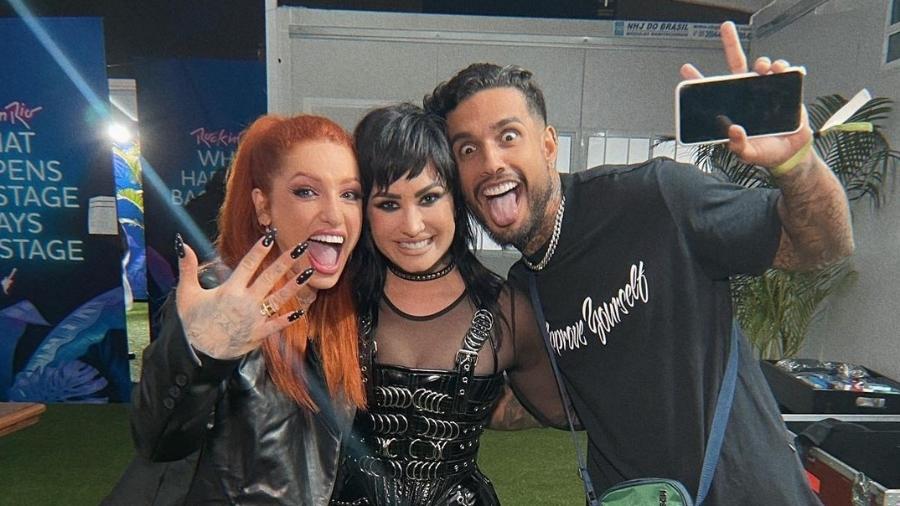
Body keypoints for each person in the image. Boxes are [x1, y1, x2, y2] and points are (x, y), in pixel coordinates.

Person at [423, 22, 851, 505]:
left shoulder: (656, 198)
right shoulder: (526, 289)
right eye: (467, 149)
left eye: (508, 136)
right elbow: (555, 406)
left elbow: (822, 247)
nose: (490, 162)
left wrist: (796, 164)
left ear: (547, 145)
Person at [330, 103, 566, 505]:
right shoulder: (333, 301)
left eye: (429, 197)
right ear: (364, 209)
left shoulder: (508, 310)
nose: (412, 225)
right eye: (388, 204)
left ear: (455, 199)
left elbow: (561, 408)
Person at [126, 114, 366, 504]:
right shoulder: (220, 297)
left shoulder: (346, 311)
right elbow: (158, 441)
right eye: (306, 192)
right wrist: (198, 357)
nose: (334, 214)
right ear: (263, 206)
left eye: (350, 194)